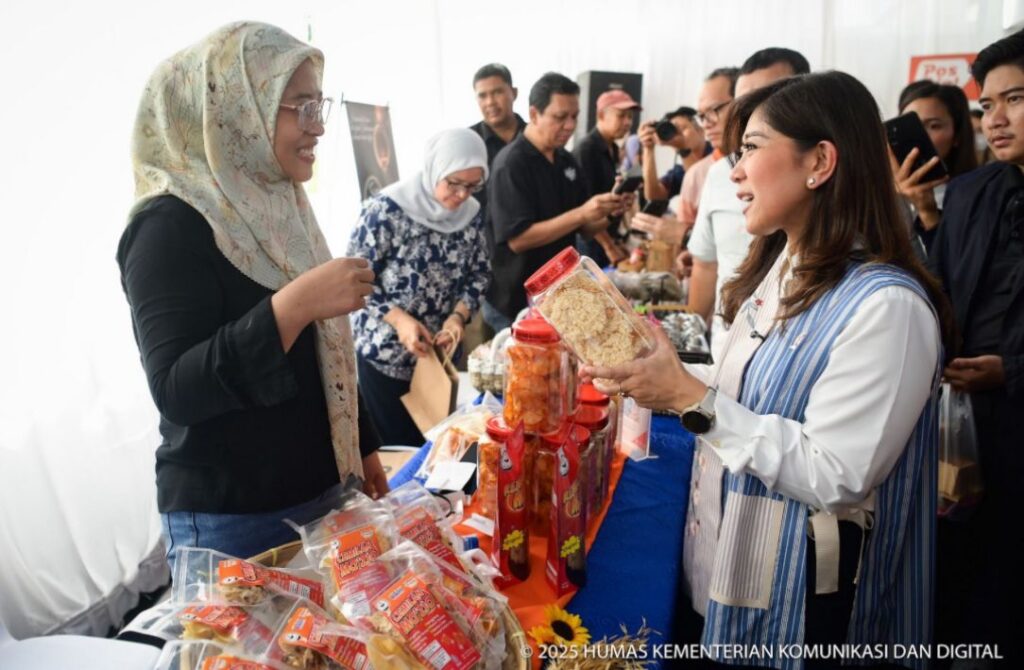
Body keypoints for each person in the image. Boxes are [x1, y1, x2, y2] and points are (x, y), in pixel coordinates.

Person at [584, 71, 951, 669]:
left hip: (810, 608)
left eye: (750, 148)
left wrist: (691, 399)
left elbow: (837, 472)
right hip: (730, 568)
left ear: (820, 162)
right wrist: (662, 375)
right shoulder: (785, 267)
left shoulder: (887, 306)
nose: (734, 173)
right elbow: (747, 394)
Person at [118, 22, 387, 568]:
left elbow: (325, 347)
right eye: (301, 108)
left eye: (319, 106)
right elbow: (177, 390)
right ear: (235, 110)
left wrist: (361, 443)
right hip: (235, 517)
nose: (318, 128)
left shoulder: (277, 205)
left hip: (321, 491)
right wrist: (294, 305)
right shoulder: (167, 226)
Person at [929, 28, 1024, 664]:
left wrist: (1012, 370)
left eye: (1015, 100)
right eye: (988, 105)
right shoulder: (968, 193)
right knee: (958, 576)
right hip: (962, 423)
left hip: (1014, 410)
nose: (996, 119)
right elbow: (936, 290)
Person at [348, 129, 491, 447]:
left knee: (436, 447)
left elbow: (480, 273)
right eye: (454, 183)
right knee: (398, 450)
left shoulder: (471, 214)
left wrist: (457, 317)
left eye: (472, 186)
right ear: (435, 169)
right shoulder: (386, 210)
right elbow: (354, 279)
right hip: (386, 356)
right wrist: (400, 320)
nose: (462, 194)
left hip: (438, 358)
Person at [685, 47, 810, 361]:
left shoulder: (880, 297)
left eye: (770, 99)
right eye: (743, 103)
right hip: (725, 357)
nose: (752, 113)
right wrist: (688, 346)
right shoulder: (719, 174)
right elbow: (705, 265)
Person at [482, 72, 626, 332]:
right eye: (560, 117)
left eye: (574, 116)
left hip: (557, 297)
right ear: (534, 114)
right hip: (515, 301)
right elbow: (518, 239)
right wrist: (582, 214)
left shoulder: (565, 160)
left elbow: (585, 229)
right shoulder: (511, 164)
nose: (570, 125)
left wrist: (611, 211)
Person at [892, 80, 977, 255]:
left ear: (957, 135)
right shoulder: (881, 195)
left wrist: (928, 213)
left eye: (934, 126)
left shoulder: (978, 197)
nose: (918, 135)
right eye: (907, 125)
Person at [573, 89, 642, 267]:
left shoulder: (613, 148)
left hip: (608, 235)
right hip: (592, 242)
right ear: (601, 115)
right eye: (621, 116)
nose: (627, 122)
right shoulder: (586, 150)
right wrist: (609, 246)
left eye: (630, 117)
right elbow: (585, 207)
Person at [469, 63, 526, 212]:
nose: (490, 102)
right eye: (482, 96)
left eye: (497, 92)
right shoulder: (467, 142)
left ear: (514, 93)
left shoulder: (536, 137)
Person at [638, 106, 709, 204]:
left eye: (682, 129)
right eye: (673, 131)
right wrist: (648, 148)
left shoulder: (719, 153)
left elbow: (703, 187)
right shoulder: (681, 170)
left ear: (701, 131)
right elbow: (654, 195)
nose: (677, 135)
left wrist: (683, 149)